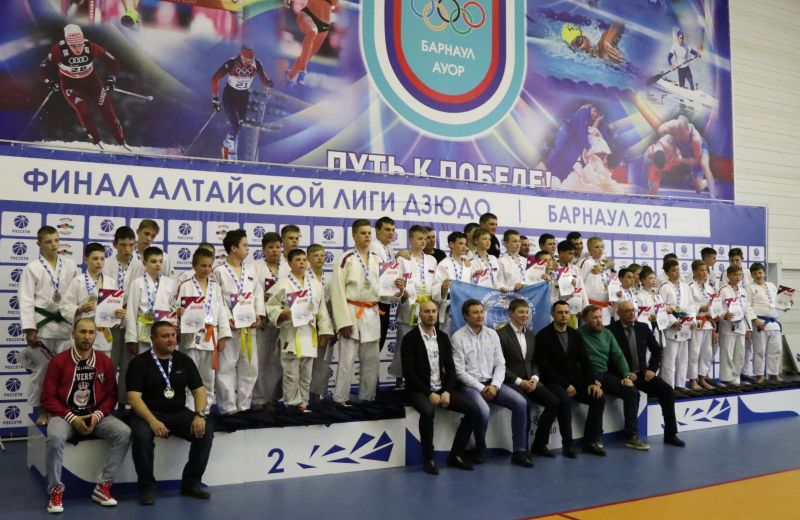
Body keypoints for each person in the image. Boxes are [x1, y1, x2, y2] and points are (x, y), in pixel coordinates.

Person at [41, 318, 131, 513]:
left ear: (95, 335)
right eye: (82, 332)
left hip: (95, 415)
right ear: (73, 334)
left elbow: (112, 395)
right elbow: (47, 398)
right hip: (64, 415)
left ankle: (103, 486)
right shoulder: (58, 361)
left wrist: (97, 416)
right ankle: (55, 489)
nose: (87, 336)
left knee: (124, 432)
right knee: (55, 437)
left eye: (91, 332)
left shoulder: (104, 361)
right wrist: (72, 418)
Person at [127, 321, 213, 504]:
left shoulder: (184, 360)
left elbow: (199, 390)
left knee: (206, 432)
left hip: (178, 413)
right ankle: (146, 487)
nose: (171, 339)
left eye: (173, 335)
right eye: (165, 336)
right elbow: (134, 398)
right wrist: (153, 422)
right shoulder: (139, 363)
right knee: (141, 436)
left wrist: (199, 415)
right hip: (147, 413)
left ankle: (191, 483)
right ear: (153, 339)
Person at [451, 300, 533, 468]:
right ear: (466, 316)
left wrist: (495, 385)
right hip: (470, 385)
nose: (480, 315)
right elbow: (459, 372)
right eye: (475, 312)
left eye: (481, 312)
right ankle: (479, 448)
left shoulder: (492, 334)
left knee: (520, 403)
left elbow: (500, 364)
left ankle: (519, 451)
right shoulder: (458, 337)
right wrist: (482, 388)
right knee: (483, 411)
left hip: (493, 383)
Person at [402, 300, 480, 474]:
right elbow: (409, 373)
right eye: (427, 311)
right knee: (428, 412)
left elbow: (451, 369)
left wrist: (447, 391)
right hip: (418, 389)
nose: (431, 315)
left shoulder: (443, 337)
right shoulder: (410, 339)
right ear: (419, 314)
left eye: (434, 311)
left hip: (441, 388)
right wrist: (429, 393)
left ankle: (456, 455)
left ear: (438, 314)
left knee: (473, 410)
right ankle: (429, 459)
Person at [19, 226, 79, 425]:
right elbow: (26, 299)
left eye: (56, 240)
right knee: (42, 369)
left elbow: (75, 294)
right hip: (42, 326)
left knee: (65, 369)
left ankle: (61, 408)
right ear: (39, 244)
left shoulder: (70, 265)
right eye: (48, 241)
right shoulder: (32, 268)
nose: (53, 245)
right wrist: (30, 328)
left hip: (65, 324)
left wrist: (77, 320)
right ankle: (41, 410)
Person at [608, 301, 685, 447]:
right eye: (627, 311)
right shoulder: (610, 330)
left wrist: (652, 369)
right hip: (621, 375)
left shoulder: (643, 327)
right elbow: (609, 358)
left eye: (633, 310)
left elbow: (657, 350)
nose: (631, 313)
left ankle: (671, 434)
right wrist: (624, 374)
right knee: (633, 394)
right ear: (618, 313)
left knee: (667, 390)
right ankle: (631, 436)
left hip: (642, 373)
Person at [266, 249, 334, 412]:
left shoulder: (316, 285)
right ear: (290, 263)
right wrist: (282, 313)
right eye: (298, 259)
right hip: (291, 333)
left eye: (304, 259)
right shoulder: (283, 284)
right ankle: (291, 404)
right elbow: (271, 306)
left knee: (306, 373)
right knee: (291, 373)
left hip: (309, 333)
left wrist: (324, 331)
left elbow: (322, 311)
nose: (302, 262)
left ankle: (303, 402)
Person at [535, 301, 606, 457]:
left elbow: (585, 361)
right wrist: (566, 385)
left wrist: (592, 383)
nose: (564, 315)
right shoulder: (543, 336)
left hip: (575, 380)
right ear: (553, 315)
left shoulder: (575, 335)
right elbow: (544, 366)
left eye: (566, 312)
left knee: (598, 398)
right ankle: (568, 445)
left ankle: (590, 441)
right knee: (565, 401)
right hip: (552, 381)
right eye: (560, 312)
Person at [497, 299, 564, 458]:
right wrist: (520, 382)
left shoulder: (531, 335)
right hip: (511, 382)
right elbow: (499, 365)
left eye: (527, 312)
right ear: (511, 313)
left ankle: (539, 444)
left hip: (531, 381)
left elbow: (535, 361)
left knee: (554, 402)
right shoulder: (500, 335)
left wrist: (534, 377)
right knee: (524, 405)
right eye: (521, 312)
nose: (525, 315)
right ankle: (522, 450)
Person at [40, 24, 126, 146]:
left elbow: (114, 62)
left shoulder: (90, 46)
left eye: (80, 44)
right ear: (67, 44)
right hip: (70, 84)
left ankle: (122, 142)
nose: (78, 49)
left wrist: (112, 78)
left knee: (107, 110)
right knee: (82, 108)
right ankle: (97, 142)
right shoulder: (58, 50)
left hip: (92, 82)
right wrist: (49, 82)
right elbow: (42, 69)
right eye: (73, 46)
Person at [578, 305, 650, 451]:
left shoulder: (607, 334)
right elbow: (574, 361)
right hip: (587, 375)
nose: (599, 321)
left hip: (604, 374)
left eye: (600, 317)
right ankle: (595, 437)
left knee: (632, 392)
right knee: (598, 397)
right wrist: (589, 380)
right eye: (594, 318)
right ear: (585, 320)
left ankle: (631, 436)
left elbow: (618, 356)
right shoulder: (577, 335)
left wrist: (626, 374)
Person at [330, 219, 385, 405]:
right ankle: (340, 399)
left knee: (371, 360)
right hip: (351, 311)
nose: (367, 236)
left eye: (369, 233)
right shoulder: (346, 258)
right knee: (346, 360)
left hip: (372, 311)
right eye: (363, 233)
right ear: (354, 236)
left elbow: (386, 293)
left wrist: (398, 290)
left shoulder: (378, 259)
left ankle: (367, 397)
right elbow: (337, 291)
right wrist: (343, 321)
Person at [212, 229, 264, 413]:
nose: (248, 248)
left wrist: (259, 314)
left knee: (250, 367)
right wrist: (227, 317)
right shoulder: (218, 271)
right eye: (245, 245)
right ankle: (228, 406)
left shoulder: (251, 270)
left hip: (249, 326)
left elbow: (257, 294)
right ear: (233, 248)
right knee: (226, 366)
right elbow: (217, 298)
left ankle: (244, 405)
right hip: (230, 327)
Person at [175, 249, 231, 413]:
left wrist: (223, 336)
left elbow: (222, 312)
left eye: (209, 266)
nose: (206, 269)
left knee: (208, 377)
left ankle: (205, 411)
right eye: (203, 265)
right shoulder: (185, 286)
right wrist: (178, 313)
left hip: (210, 335)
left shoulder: (216, 287)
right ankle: (189, 410)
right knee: (189, 376)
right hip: (191, 336)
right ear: (194, 266)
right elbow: (175, 307)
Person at [211, 44, 273, 160]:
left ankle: (227, 147)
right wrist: (215, 99)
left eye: (250, 60)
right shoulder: (231, 63)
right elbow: (215, 79)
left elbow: (264, 79)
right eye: (246, 60)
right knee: (235, 125)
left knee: (239, 126)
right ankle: (230, 151)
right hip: (230, 96)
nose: (248, 63)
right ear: (241, 56)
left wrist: (268, 84)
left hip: (243, 97)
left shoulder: (256, 64)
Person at [61, 243, 125, 355]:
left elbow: (115, 309)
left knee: (102, 365)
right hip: (82, 334)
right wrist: (80, 309)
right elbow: (65, 307)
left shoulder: (111, 282)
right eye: (95, 258)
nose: (99, 262)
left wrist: (119, 313)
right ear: (86, 260)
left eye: (102, 259)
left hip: (103, 336)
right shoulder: (78, 281)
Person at [393, 226, 437, 383]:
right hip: (409, 304)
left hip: (427, 306)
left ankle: (422, 378)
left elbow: (435, 284)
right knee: (404, 343)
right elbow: (396, 282)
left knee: (424, 345)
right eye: (420, 238)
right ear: (410, 239)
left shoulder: (432, 260)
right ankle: (400, 378)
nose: (423, 242)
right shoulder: (402, 259)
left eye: (425, 239)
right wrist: (402, 293)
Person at [103, 226, 137, 406]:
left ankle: (124, 404)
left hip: (132, 322)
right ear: (114, 244)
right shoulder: (105, 264)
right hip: (109, 322)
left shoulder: (141, 265)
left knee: (128, 366)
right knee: (109, 364)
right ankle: (105, 404)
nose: (127, 249)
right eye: (123, 245)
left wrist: (128, 307)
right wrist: (114, 307)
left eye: (131, 245)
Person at [251, 231, 284, 410]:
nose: (274, 250)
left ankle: (271, 398)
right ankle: (258, 400)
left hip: (282, 320)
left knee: (277, 362)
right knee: (260, 361)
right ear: (263, 249)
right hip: (263, 321)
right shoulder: (255, 268)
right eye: (270, 247)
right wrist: (259, 307)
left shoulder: (287, 267)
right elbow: (249, 293)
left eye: (278, 247)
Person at [125, 247, 177, 355]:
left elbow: (174, 307)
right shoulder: (137, 283)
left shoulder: (170, 283)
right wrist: (131, 338)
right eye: (153, 261)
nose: (158, 264)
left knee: (164, 359)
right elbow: (131, 311)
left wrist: (175, 329)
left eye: (160, 261)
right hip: (143, 331)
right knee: (144, 361)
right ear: (144, 263)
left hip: (165, 330)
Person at [658, 115, 717, 198]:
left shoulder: (695, 139)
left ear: (688, 129)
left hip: (700, 151)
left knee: (704, 164)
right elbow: (660, 130)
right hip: (687, 151)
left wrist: (681, 160)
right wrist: (670, 143)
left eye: (682, 133)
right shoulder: (673, 126)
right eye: (678, 133)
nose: (680, 136)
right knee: (698, 189)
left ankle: (714, 193)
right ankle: (707, 182)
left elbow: (697, 160)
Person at [658, 259, 695, 389]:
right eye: (673, 270)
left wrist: (691, 320)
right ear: (667, 273)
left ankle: (680, 385)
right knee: (670, 360)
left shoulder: (685, 286)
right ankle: (669, 387)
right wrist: (672, 322)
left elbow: (691, 306)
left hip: (684, 326)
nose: (677, 272)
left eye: (678, 269)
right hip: (672, 327)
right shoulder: (664, 287)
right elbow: (661, 308)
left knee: (683, 359)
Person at [307, 243, 336, 405]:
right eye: (315, 255)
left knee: (323, 363)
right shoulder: (303, 278)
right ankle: (302, 397)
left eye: (322, 255)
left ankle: (317, 395)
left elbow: (334, 305)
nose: (320, 258)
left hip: (326, 325)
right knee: (305, 363)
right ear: (308, 258)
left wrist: (334, 329)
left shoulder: (330, 279)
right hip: (308, 325)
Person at [286, 0, 339, 86]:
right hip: (308, 15)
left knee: (306, 56)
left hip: (324, 25)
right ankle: (303, 70)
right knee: (312, 31)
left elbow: (334, 4)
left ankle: (289, 77)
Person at [717, 266, 754, 386]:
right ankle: (726, 379)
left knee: (739, 354)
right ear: (728, 276)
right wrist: (723, 314)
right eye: (734, 275)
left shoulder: (743, 291)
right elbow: (716, 308)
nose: (737, 277)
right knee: (727, 354)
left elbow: (747, 310)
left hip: (741, 326)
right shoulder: (723, 290)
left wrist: (749, 328)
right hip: (727, 326)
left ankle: (735, 377)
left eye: (739, 275)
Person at [431, 232, 473, 335]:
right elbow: (435, 288)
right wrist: (443, 288)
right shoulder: (443, 264)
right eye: (460, 243)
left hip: (466, 308)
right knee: (448, 339)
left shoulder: (468, 264)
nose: (464, 247)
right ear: (451, 244)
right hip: (449, 309)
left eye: (465, 244)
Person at [748, 263, 783, 384]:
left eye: (760, 272)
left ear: (764, 273)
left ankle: (773, 374)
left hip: (774, 322)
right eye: (755, 273)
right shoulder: (750, 288)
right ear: (752, 275)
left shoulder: (772, 286)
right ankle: (759, 375)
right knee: (759, 350)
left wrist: (787, 304)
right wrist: (754, 319)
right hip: (760, 323)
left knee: (776, 350)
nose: (758, 275)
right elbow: (747, 306)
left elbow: (778, 302)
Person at [370, 216, 397, 354]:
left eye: (393, 230)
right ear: (377, 230)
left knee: (380, 342)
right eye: (387, 229)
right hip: (375, 302)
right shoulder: (373, 247)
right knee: (374, 343)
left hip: (386, 300)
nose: (391, 233)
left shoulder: (389, 248)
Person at [688, 260, 716, 390]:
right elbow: (689, 305)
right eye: (701, 270)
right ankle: (693, 380)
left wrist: (715, 315)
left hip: (708, 323)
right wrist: (700, 307)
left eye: (706, 270)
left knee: (707, 352)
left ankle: (702, 378)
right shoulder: (690, 287)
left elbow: (713, 305)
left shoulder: (710, 288)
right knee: (694, 352)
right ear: (694, 272)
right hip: (697, 322)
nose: (704, 273)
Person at [550, 240, 588, 328]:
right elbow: (552, 291)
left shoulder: (575, 269)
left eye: (573, 253)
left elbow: (581, 288)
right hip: (559, 309)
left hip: (574, 309)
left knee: (572, 333)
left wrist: (585, 306)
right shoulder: (553, 270)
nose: (572, 256)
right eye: (570, 253)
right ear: (561, 253)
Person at [580, 237, 616, 325]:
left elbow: (611, 263)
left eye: (602, 247)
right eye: (596, 247)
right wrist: (584, 305)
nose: (600, 249)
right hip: (590, 306)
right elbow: (579, 284)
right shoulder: (586, 262)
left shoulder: (605, 262)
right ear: (589, 250)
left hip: (605, 306)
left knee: (605, 330)